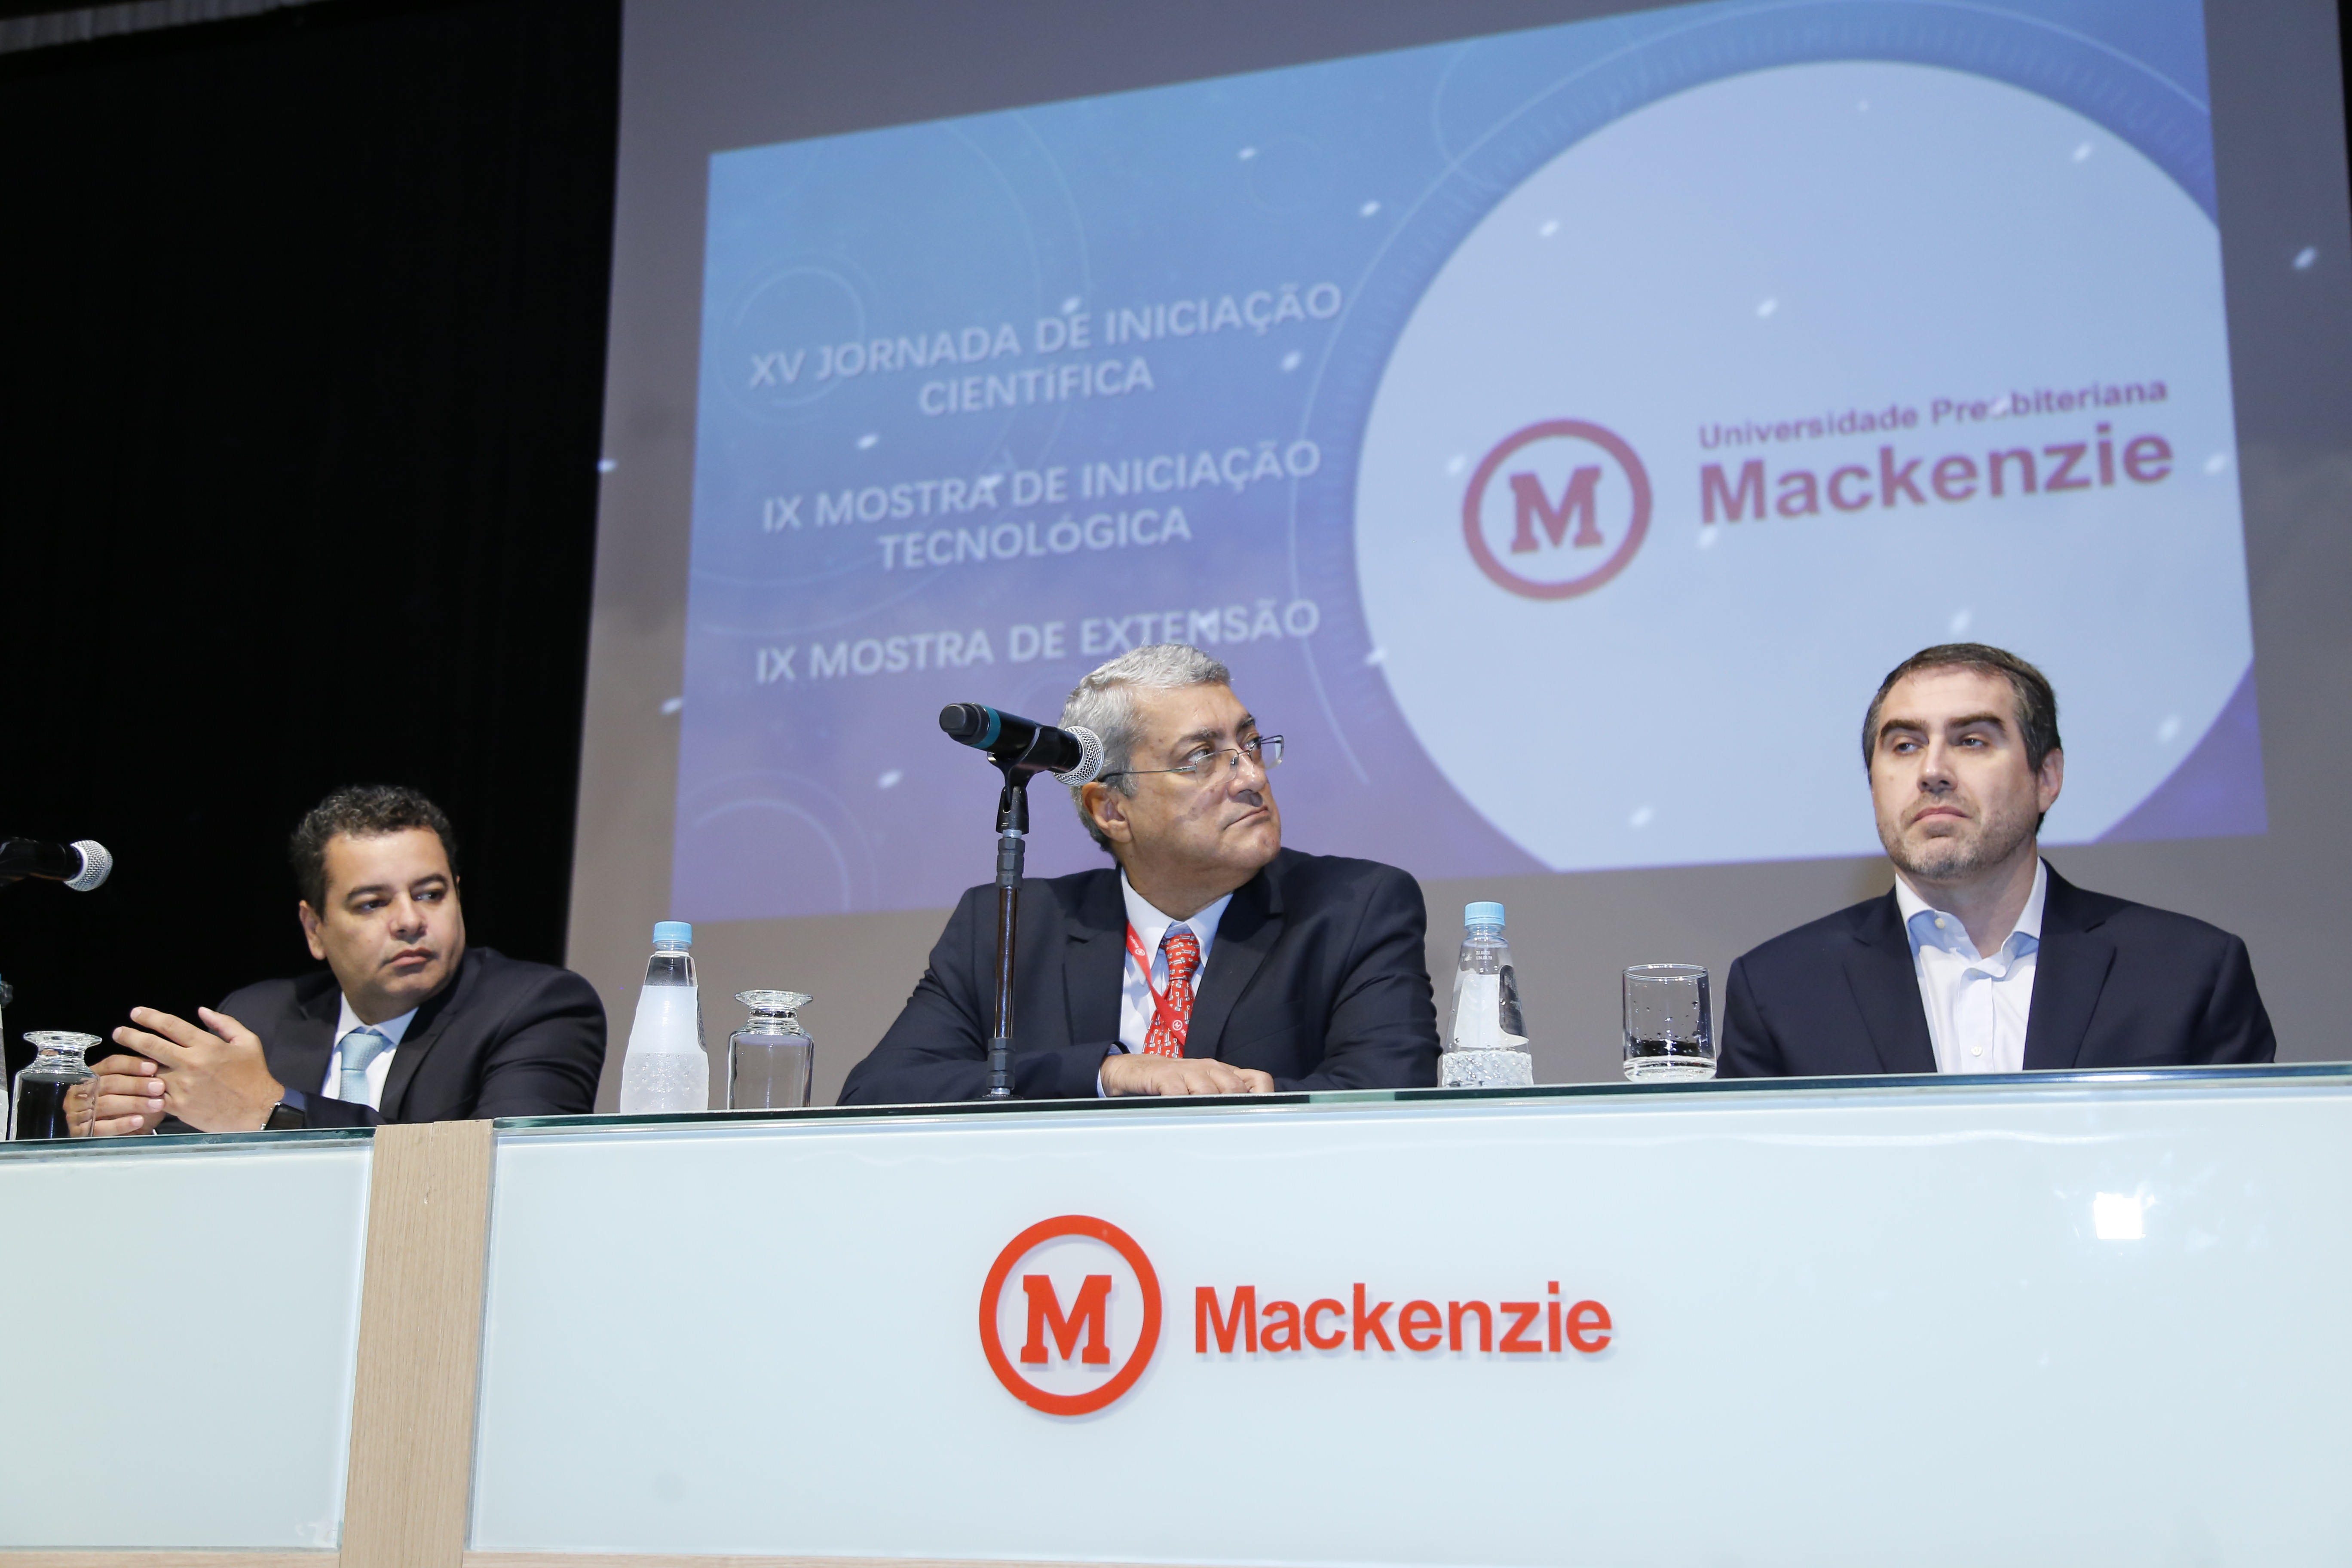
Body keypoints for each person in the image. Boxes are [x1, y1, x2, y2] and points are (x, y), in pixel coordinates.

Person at [842, 644, 1439, 1102]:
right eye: (1202, 758)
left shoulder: (1355, 907)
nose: (1252, 777)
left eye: (1251, 744)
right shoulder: (1009, 926)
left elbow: (1393, 1094)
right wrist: (1108, 1074)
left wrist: (1254, 1104)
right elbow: (879, 1093)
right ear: (1112, 809)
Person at [1718, 644, 2275, 1078]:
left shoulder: (2188, 972)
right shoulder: (1780, 991)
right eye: (1905, 745)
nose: (1932, 771)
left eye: (1973, 741)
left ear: (2047, 778)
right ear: (1873, 785)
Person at [87, 785, 606, 1133]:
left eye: (430, 894)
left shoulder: (539, 1007)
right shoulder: (259, 1016)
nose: (409, 920)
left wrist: (273, 1111)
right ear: (315, 928)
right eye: (373, 904)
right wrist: (124, 1124)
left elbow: (500, 1173)